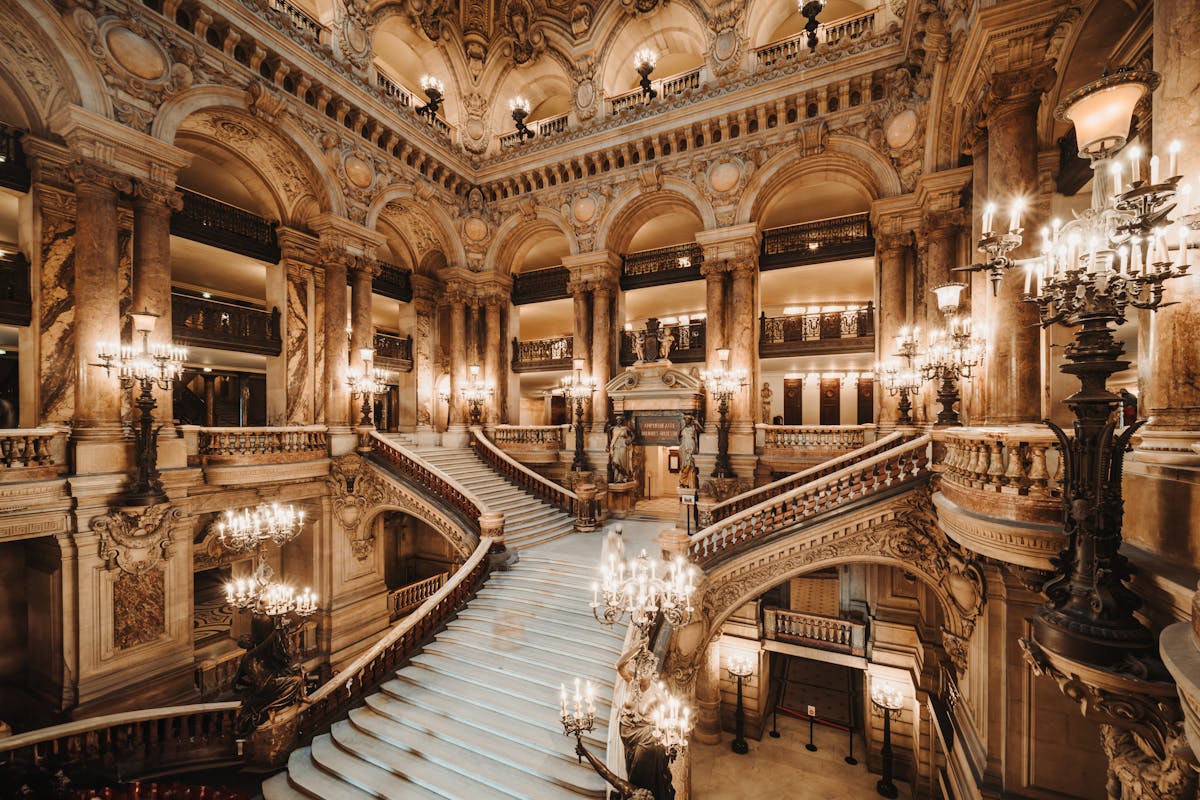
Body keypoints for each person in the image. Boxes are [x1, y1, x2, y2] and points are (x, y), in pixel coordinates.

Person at [609, 415, 633, 482]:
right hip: (616, 445)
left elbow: (633, 435)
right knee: (615, 462)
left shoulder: (625, 428)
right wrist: (609, 446)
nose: (618, 421)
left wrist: (630, 441)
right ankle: (619, 477)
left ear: (622, 421)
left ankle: (622, 478)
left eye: (620, 420)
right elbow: (610, 437)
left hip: (623, 446)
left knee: (622, 462)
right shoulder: (614, 428)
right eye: (617, 420)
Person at [677, 415, 700, 489]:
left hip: (691, 450)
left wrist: (697, 424)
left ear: (690, 421)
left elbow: (702, 431)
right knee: (684, 467)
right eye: (685, 420)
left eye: (688, 420)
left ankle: (684, 481)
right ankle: (684, 483)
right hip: (684, 450)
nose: (686, 421)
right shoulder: (683, 429)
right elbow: (678, 437)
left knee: (689, 466)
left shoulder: (693, 428)